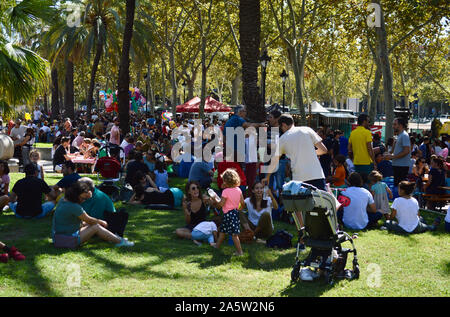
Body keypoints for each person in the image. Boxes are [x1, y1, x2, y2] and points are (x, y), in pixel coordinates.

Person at [262, 114, 327, 251]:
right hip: (316, 174)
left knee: (298, 209)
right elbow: (323, 150)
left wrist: (267, 177)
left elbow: (274, 161)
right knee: (322, 208)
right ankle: (323, 238)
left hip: (299, 178)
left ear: (283, 125)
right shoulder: (307, 129)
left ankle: (302, 240)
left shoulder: (283, 138)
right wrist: (310, 154)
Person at [52, 181, 134, 248]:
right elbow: (90, 220)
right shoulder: (74, 206)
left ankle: (115, 238)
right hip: (65, 241)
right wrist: (102, 222)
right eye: (83, 198)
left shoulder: (63, 200)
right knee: (96, 227)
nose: (83, 201)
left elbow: (79, 222)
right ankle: (120, 242)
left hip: (58, 238)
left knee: (91, 225)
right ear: (75, 194)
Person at [213, 169, 245, 256]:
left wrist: (215, 200)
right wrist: (239, 209)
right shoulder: (238, 190)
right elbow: (242, 203)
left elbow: (221, 205)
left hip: (228, 214)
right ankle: (217, 246)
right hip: (235, 213)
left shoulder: (225, 191)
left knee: (234, 235)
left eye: (224, 180)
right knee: (223, 231)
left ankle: (240, 252)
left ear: (226, 181)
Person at [348, 114, 376, 184]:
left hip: (356, 162)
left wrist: (353, 158)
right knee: (368, 183)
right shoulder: (367, 132)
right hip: (367, 163)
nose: (369, 123)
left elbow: (349, 148)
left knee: (358, 182)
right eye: (368, 121)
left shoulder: (353, 133)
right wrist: (374, 161)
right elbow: (370, 149)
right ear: (364, 121)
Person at [383, 118, 411, 186]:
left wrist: (392, 156)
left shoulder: (404, 135)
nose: (393, 126)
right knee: (398, 187)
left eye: (395, 124)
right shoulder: (399, 135)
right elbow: (396, 151)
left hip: (402, 166)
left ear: (400, 125)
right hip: (397, 166)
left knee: (401, 188)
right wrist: (389, 154)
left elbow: (407, 151)